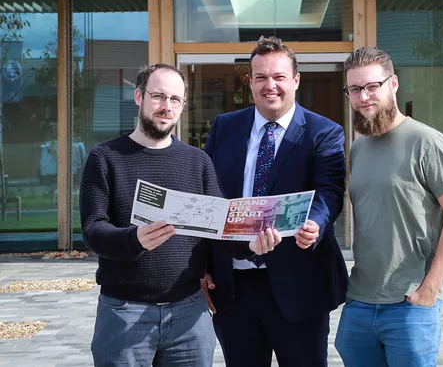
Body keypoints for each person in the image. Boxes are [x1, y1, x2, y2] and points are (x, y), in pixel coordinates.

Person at [203, 36, 348, 367]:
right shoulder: (224, 127)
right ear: (250, 81)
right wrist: (203, 268)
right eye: (261, 77)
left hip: (298, 285)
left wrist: (315, 223)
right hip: (233, 287)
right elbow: (208, 197)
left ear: (296, 80)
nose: (271, 86)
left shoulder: (323, 132)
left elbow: (329, 191)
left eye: (279, 77)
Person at [334, 47, 443, 367]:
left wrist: (430, 289)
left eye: (372, 86)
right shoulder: (359, 147)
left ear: (392, 84)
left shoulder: (427, 141)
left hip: (409, 304)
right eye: (354, 89)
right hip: (359, 302)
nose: (363, 96)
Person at [79, 63, 221, 366]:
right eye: (158, 96)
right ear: (138, 96)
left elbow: (217, 230)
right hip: (124, 314)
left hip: (190, 314)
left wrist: (253, 238)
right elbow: (93, 229)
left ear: (182, 106)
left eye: (175, 100)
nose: (166, 107)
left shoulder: (198, 162)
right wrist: (134, 238)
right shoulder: (105, 158)